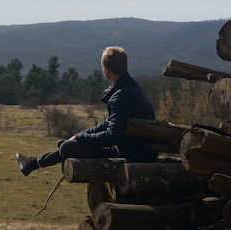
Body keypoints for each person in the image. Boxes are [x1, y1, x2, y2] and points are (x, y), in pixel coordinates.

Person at [16, 46, 156, 176]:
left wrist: (80, 138)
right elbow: (109, 123)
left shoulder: (120, 96)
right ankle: (33, 164)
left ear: (106, 71)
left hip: (131, 153)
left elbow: (111, 136)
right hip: (137, 149)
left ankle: (33, 164)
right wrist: (79, 135)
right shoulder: (132, 89)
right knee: (68, 144)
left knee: (67, 147)